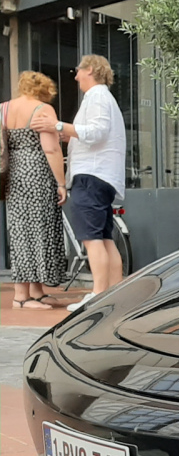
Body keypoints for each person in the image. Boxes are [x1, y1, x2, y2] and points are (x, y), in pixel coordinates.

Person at [34, 54, 125, 311]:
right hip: (104, 176)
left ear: (90, 70)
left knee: (92, 238)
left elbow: (96, 132)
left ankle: (97, 295)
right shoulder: (105, 98)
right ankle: (115, 295)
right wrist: (67, 135)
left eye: (78, 70)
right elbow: (94, 135)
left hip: (91, 176)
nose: (74, 76)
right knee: (105, 238)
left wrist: (57, 125)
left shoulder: (96, 96)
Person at [3, 71, 67, 309]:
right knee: (39, 229)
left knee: (20, 230)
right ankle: (21, 296)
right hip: (37, 173)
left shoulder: (4, 109)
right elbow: (51, 149)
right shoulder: (43, 109)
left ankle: (36, 291)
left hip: (13, 174)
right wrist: (61, 183)